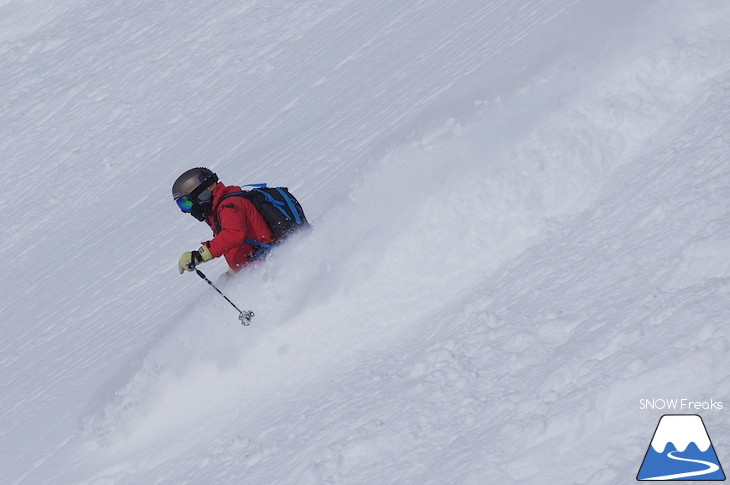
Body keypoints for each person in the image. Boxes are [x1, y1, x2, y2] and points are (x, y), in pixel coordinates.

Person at [172, 167, 274, 275]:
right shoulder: (218, 210)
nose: (188, 210)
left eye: (186, 202)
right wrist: (234, 272)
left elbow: (234, 234)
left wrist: (199, 255)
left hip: (267, 263)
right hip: (258, 263)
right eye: (182, 205)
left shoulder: (229, 206)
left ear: (201, 192)